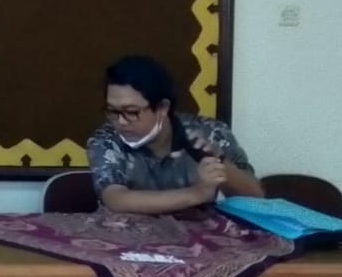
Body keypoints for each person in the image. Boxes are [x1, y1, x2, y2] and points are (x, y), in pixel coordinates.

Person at [87, 54, 263, 215]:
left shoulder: (210, 132)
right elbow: (116, 200)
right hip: (129, 235)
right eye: (112, 111)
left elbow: (256, 198)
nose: (121, 121)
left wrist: (221, 163)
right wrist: (197, 193)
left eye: (131, 112)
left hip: (199, 234)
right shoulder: (105, 140)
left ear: (163, 107)